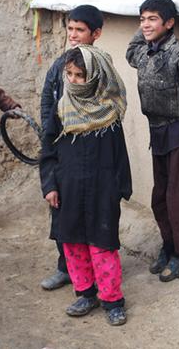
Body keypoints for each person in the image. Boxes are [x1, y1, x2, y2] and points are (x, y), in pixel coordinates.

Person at [40, 45, 132, 326]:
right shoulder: (61, 110)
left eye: (80, 75)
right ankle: (85, 293)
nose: (74, 81)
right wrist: (50, 186)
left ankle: (112, 300)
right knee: (73, 244)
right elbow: (48, 151)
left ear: (95, 77)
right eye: (69, 74)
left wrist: (119, 190)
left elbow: (119, 157)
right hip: (67, 189)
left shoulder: (109, 114)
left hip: (101, 190)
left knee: (102, 245)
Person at [125, 0, 179, 282]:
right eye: (142, 19)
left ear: (170, 23)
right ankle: (169, 245)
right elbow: (130, 50)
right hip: (158, 132)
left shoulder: (176, 52)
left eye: (152, 19)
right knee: (160, 197)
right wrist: (147, 28)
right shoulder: (145, 51)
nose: (145, 25)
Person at [38, 4, 104, 291]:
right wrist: (48, 134)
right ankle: (66, 266)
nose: (74, 35)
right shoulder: (60, 65)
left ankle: (97, 274)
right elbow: (46, 100)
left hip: (91, 156)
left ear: (96, 34)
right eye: (70, 29)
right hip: (63, 154)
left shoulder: (101, 69)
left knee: (92, 216)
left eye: (80, 30)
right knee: (61, 212)